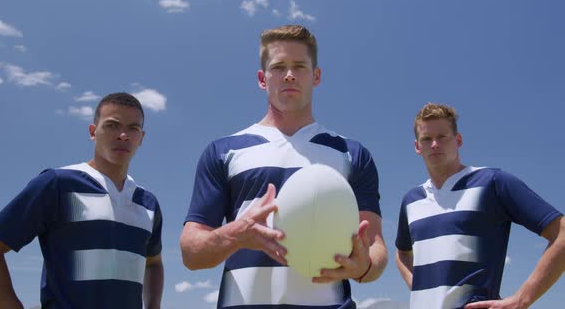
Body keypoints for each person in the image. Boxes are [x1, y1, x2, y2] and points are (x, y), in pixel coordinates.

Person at [180, 24, 387, 308]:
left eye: (299, 66)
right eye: (278, 67)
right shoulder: (224, 151)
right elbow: (191, 254)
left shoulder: (352, 154)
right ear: (262, 79)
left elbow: (375, 247)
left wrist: (364, 266)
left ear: (316, 76)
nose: (289, 75)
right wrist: (236, 234)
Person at [0, 93, 164, 309]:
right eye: (112, 125)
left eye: (133, 128)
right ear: (93, 132)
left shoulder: (148, 203)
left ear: (141, 137)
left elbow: (154, 262)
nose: (123, 135)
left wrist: (153, 305)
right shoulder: (58, 184)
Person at [395, 103, 565, 309]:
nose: (434, 144)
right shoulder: (411, 200)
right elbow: (402, 253)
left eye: (442, 137)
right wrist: (420, 289)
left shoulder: (492, 182)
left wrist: (522, 299)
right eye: (426, 139)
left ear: (458, 140)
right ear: (417, 147)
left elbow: (561, 233)